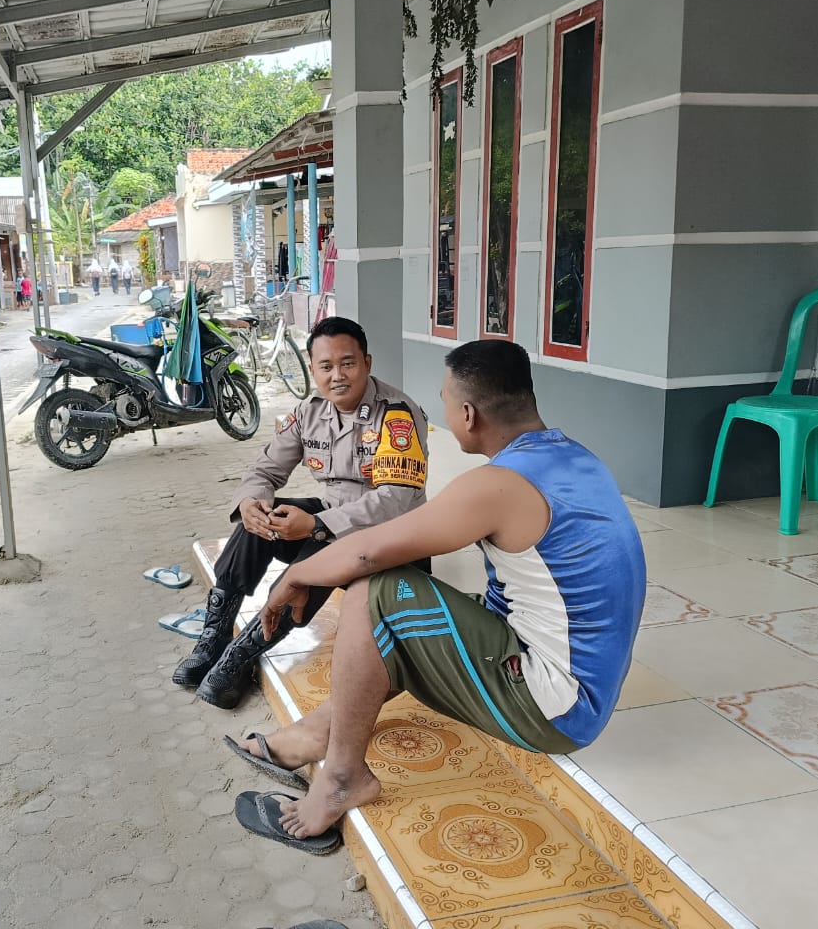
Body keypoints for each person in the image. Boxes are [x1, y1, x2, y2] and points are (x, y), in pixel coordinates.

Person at [232, 340, 646, 843]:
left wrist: (293, 578)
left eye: (446, 401)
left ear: (468, 415)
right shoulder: (574, 456)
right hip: (580, 682)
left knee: (375, 592)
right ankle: (318, 732)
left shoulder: (498, 484)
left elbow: (368, 553)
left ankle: (342, 779)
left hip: (556, 707)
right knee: (399, 611)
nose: (445, 412)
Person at [172, 316, 431, 709]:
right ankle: (215, 636)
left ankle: (241, 655)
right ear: (313, 369)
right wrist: (251, 503)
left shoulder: (396, 415)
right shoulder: (309, 412)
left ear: (367, 363)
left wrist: (317, 524)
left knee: (318, 552)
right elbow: (266, 470)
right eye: (326, 366)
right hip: (332, 518)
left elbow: (394, 500)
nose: (337, 375)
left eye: (348, 363)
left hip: (390, 538)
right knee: (262, 518)